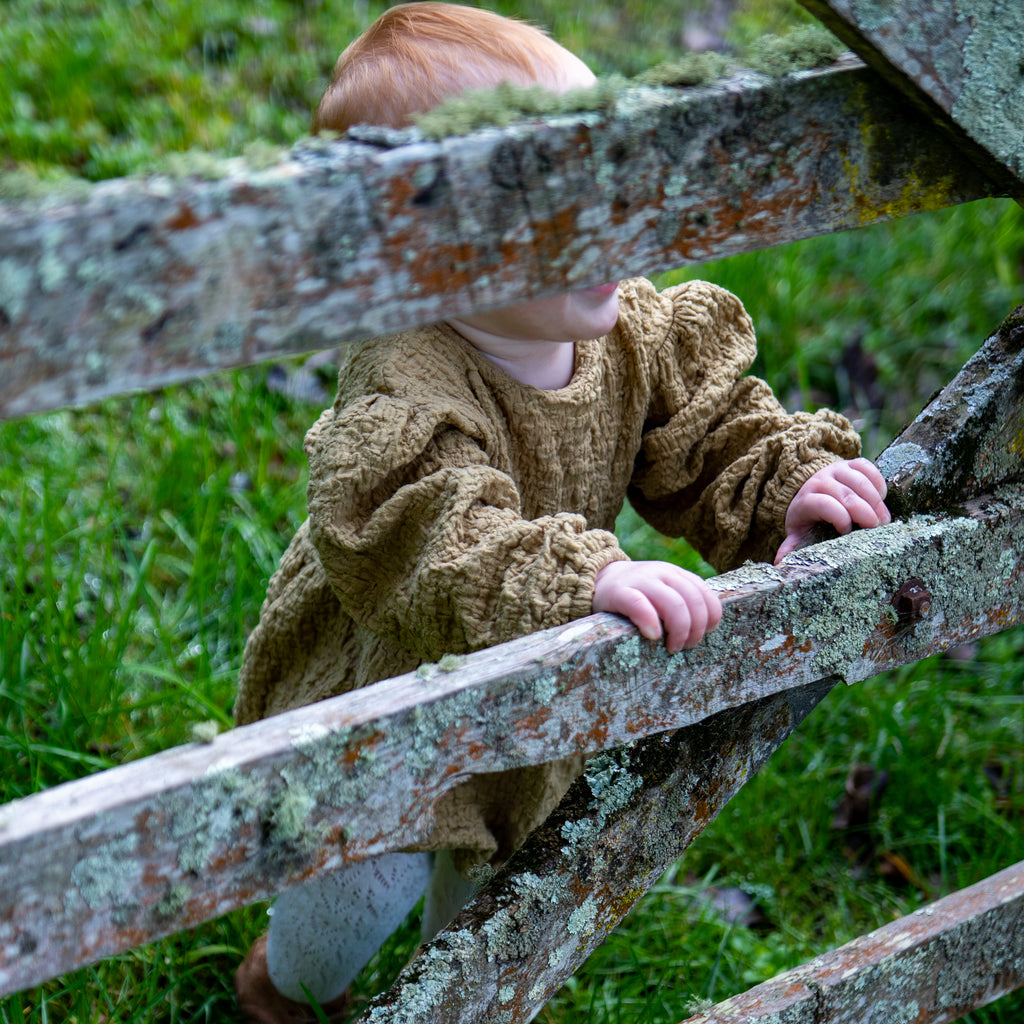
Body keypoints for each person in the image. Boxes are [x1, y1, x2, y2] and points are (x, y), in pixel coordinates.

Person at [233, 4, 890, 1020]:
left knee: (496, 905)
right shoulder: (407, 384)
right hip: (397, 693)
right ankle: (282, 990)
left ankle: (451, 1003)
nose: (610, 217)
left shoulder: (625, 328)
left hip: (538, 685)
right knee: (354, 892)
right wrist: (589, 578)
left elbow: (704, 429)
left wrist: (780, 486)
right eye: (557, 195)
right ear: (428, 247)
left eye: (609, 170)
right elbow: (442, 535)